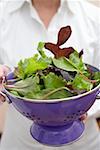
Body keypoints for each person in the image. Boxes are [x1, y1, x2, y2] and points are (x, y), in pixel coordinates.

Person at [0, 0, 100, 150]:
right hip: (19, 143)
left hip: (83, 143)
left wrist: (86, 107)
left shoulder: (94, 16)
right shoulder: (3, 12)